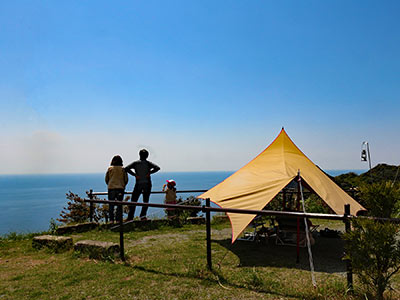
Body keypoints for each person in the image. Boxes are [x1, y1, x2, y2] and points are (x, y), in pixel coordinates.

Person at [125, 149, 160, 220]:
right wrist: (150, 173)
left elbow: (126, 168)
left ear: (139, 155)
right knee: (145, 201)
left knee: (134, 201)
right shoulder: (148, 163)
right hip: (147, 184)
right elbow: (157, 168)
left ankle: (130, 217)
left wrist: (135, 175)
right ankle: (143, 216)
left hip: (138, 184)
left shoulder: (135, 163)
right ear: (147, 156)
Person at [105, 155, 128, 224]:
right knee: (119, 205)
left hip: (111, 188)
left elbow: (106, 179)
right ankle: (118, 220)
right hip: (120, 188)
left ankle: (111, 220)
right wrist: (123, 185)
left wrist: (110, 184)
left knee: (111, 205)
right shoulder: (123, 169)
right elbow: (126, 179)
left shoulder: (110, 169)